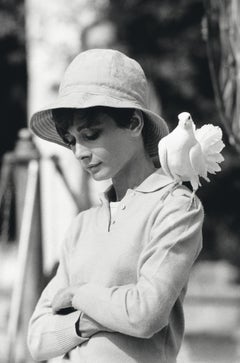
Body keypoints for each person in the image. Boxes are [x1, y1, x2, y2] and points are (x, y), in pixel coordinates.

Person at [27, 49, 204, 363]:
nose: (79, 152)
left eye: (91, 134)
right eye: (70, 140)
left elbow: (146, 314)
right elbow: (38, 338)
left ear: (134, 123)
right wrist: (89, 319)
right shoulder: (82, 224)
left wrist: (76, 295)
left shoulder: (176, 206)